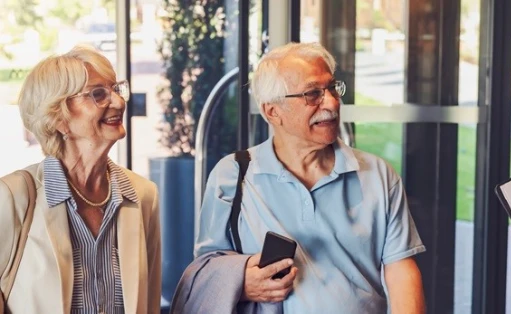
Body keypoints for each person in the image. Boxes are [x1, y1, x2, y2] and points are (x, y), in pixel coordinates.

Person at [195, 42, 426, 313]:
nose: (331, 102)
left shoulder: (378, 175)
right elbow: (206, 268)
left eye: (332, 88)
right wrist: (242, 281)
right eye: (313, 93)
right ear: (272, 111)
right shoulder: (233, 174)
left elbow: (401, 273)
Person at [0, 45, 161, 313]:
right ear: (59, 117)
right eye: (98, 94)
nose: (119, 102)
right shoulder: (12, 196)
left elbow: (150, 302)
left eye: (116, 89)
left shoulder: (143, 195)